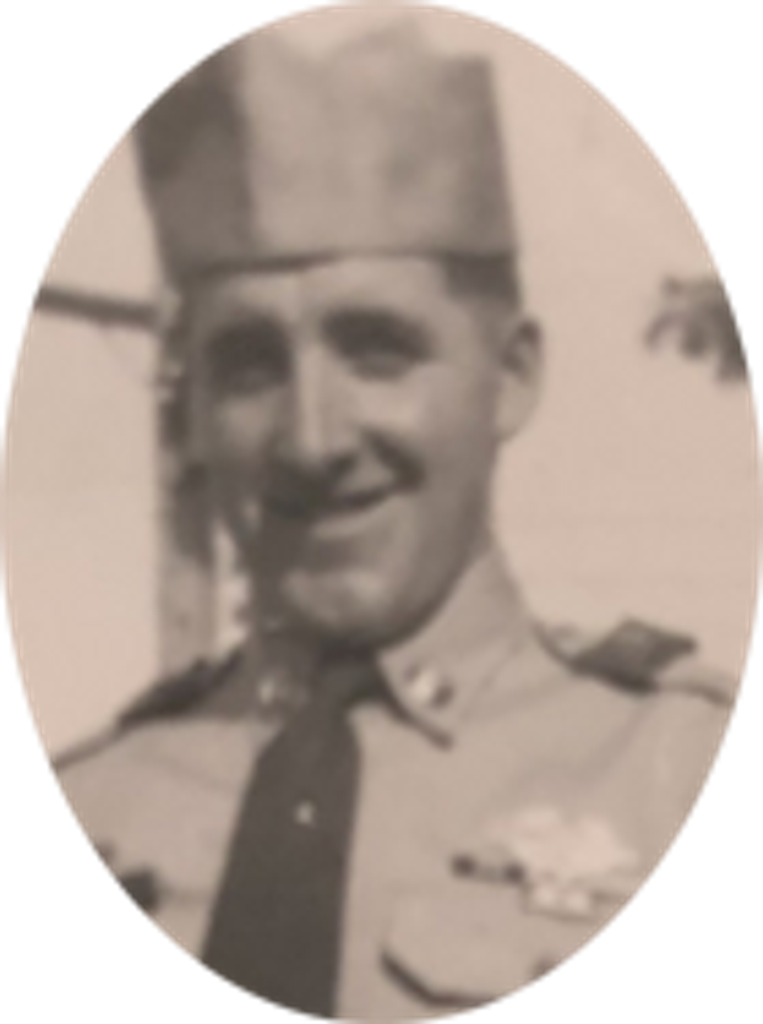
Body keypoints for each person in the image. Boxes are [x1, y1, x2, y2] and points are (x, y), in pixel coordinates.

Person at [48, 24, 741, 1021]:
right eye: (248, 364)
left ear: (510, 377)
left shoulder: (675, 777)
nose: (311, 439)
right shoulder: (93, 805)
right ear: (189, 410)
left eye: (376, 349)